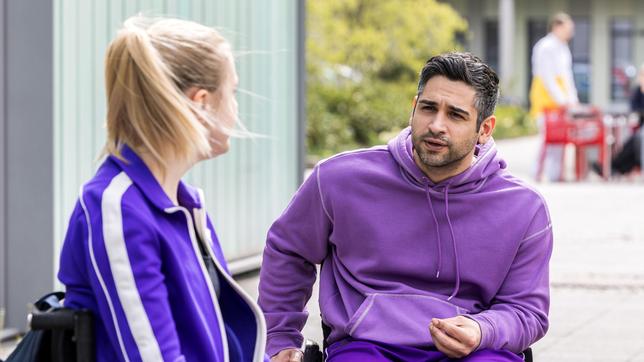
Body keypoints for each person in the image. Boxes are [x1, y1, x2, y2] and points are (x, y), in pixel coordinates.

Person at [259, 52, 552, 362]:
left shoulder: (524, 209)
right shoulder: (339, 179)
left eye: (456, 115)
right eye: (428, 108)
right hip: (365, 346)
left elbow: (527, 311)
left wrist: (484, 330)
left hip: (474, 350)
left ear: (485, 128)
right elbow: (289, 250)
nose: (437, 125)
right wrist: (279, 338)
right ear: (414, 107)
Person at [57, 16, 267, 362]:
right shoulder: (118, 209)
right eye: (233, 92)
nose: (236, 108)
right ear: (201, 102)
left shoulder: (182, 204)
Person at [530, 12, 578, 181]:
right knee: (547, 137)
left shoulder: (563, 48)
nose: (570, 33)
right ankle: (538, 173)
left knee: (560, 139)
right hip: (546, 99)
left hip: (561, 101)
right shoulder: (545, 46)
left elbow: (567, 77)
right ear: (557, 27)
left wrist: (572, 100)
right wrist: (562, 100)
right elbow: (548, 78)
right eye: (568, 28)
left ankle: (555, 175)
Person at [597, 64, 644, 176]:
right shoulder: (638, 91)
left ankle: (614, 167)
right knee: (634, 141)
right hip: (640, 127)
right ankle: (614, 168)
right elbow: (635, 110)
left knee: (636, 141)